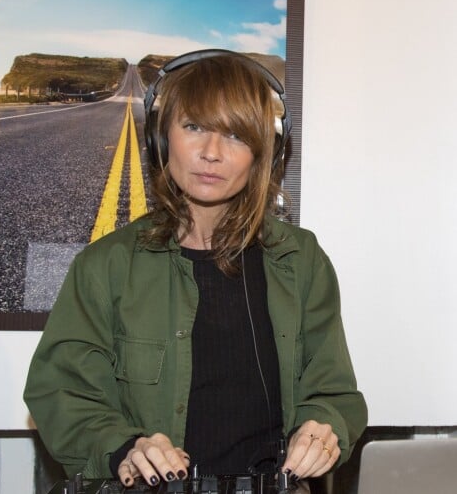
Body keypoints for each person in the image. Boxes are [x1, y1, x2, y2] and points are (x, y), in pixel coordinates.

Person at [24, 50, 367, 489]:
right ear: (162, 138)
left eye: (236, 136)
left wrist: (325, 426)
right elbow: (61, 391)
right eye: (194, 127)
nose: (211, 153)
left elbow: (334, 391)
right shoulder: (105, 265)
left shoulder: (302, 261)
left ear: (264, 152)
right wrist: (124, 447)